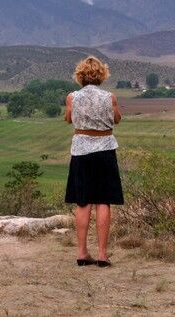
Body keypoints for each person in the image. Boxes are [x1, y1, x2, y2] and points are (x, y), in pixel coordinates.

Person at [64, 56, 124, 267]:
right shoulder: (110, 97)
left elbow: (68, 118)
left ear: (80, 75)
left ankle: (81, 252)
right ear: (101, 75)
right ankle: (102, 255)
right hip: (105, 150)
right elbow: (117, 119)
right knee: (103, 201)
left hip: (80, 151)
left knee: (83, 201)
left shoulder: (72, 97)